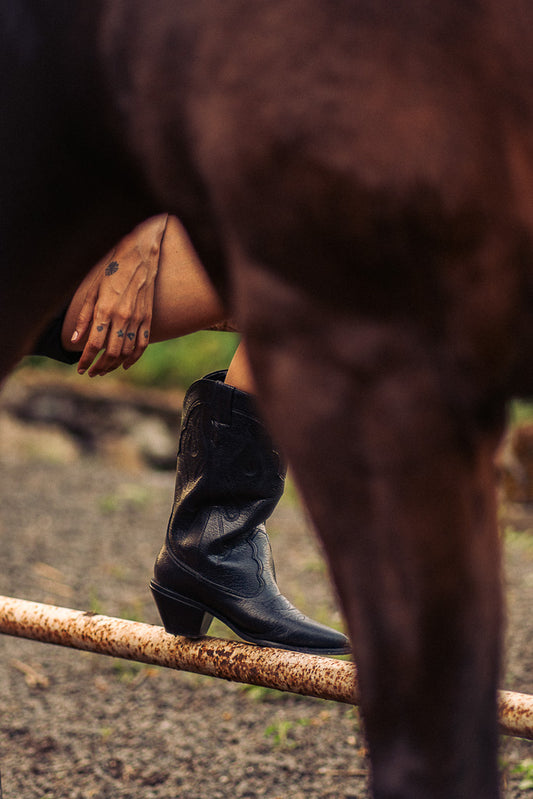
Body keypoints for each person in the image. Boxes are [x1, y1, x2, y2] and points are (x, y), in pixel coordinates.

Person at [32, 214, 350, 656]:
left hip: (63, 228)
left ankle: (212, 548)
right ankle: (210, 550)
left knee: (323, 264)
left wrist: (139, 233)